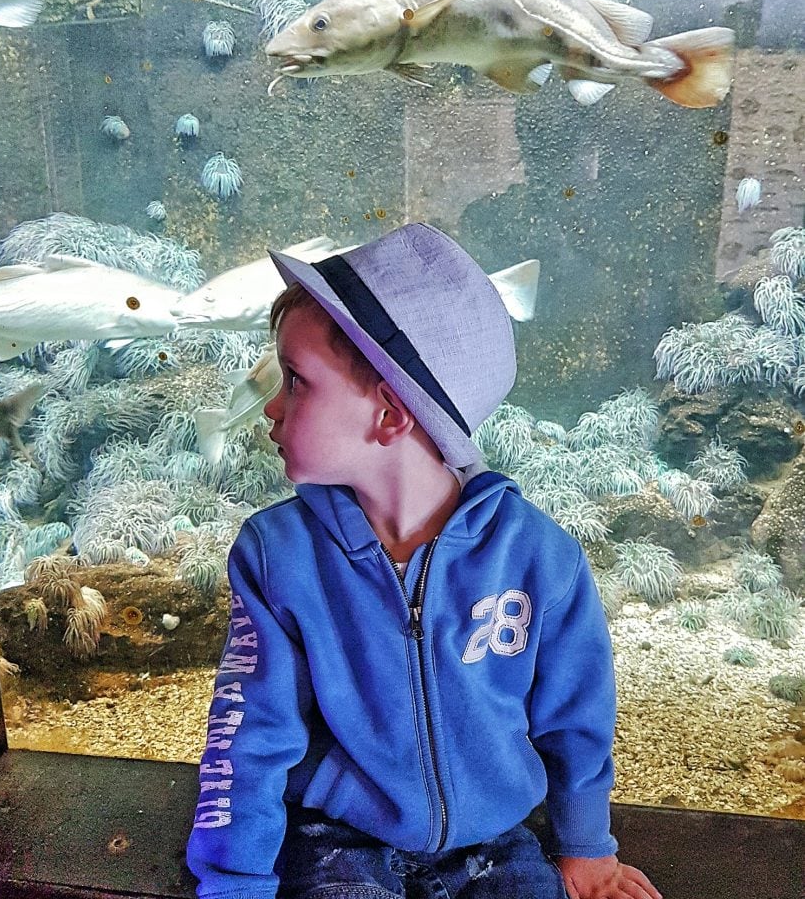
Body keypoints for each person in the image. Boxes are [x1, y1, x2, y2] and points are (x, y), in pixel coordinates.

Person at [186, 223, 661, 899]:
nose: (271, 407)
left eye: (296, 381)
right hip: (336, 842)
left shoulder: (537, 556)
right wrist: (235, 881)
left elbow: (575, 718)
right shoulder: (276, 555)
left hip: (497, 845)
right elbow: (248, 736)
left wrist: (586, 845)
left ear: (388, 414)